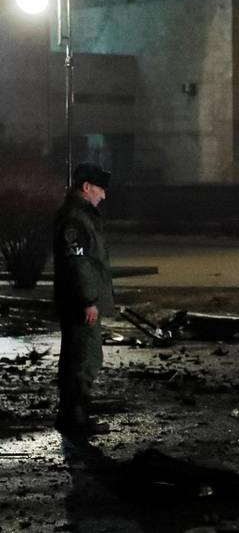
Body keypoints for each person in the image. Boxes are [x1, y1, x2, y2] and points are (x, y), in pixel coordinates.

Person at [53, 162, 114, 435]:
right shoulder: (77, 218)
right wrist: (88, 299)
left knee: (78, 358)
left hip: (77, 300)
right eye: (100, 189)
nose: (104, 195)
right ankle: (75, 419)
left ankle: (71, 415)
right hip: (80, 302)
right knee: (84, 359)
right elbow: (79, 264)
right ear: (87, 188)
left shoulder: (78, 215)